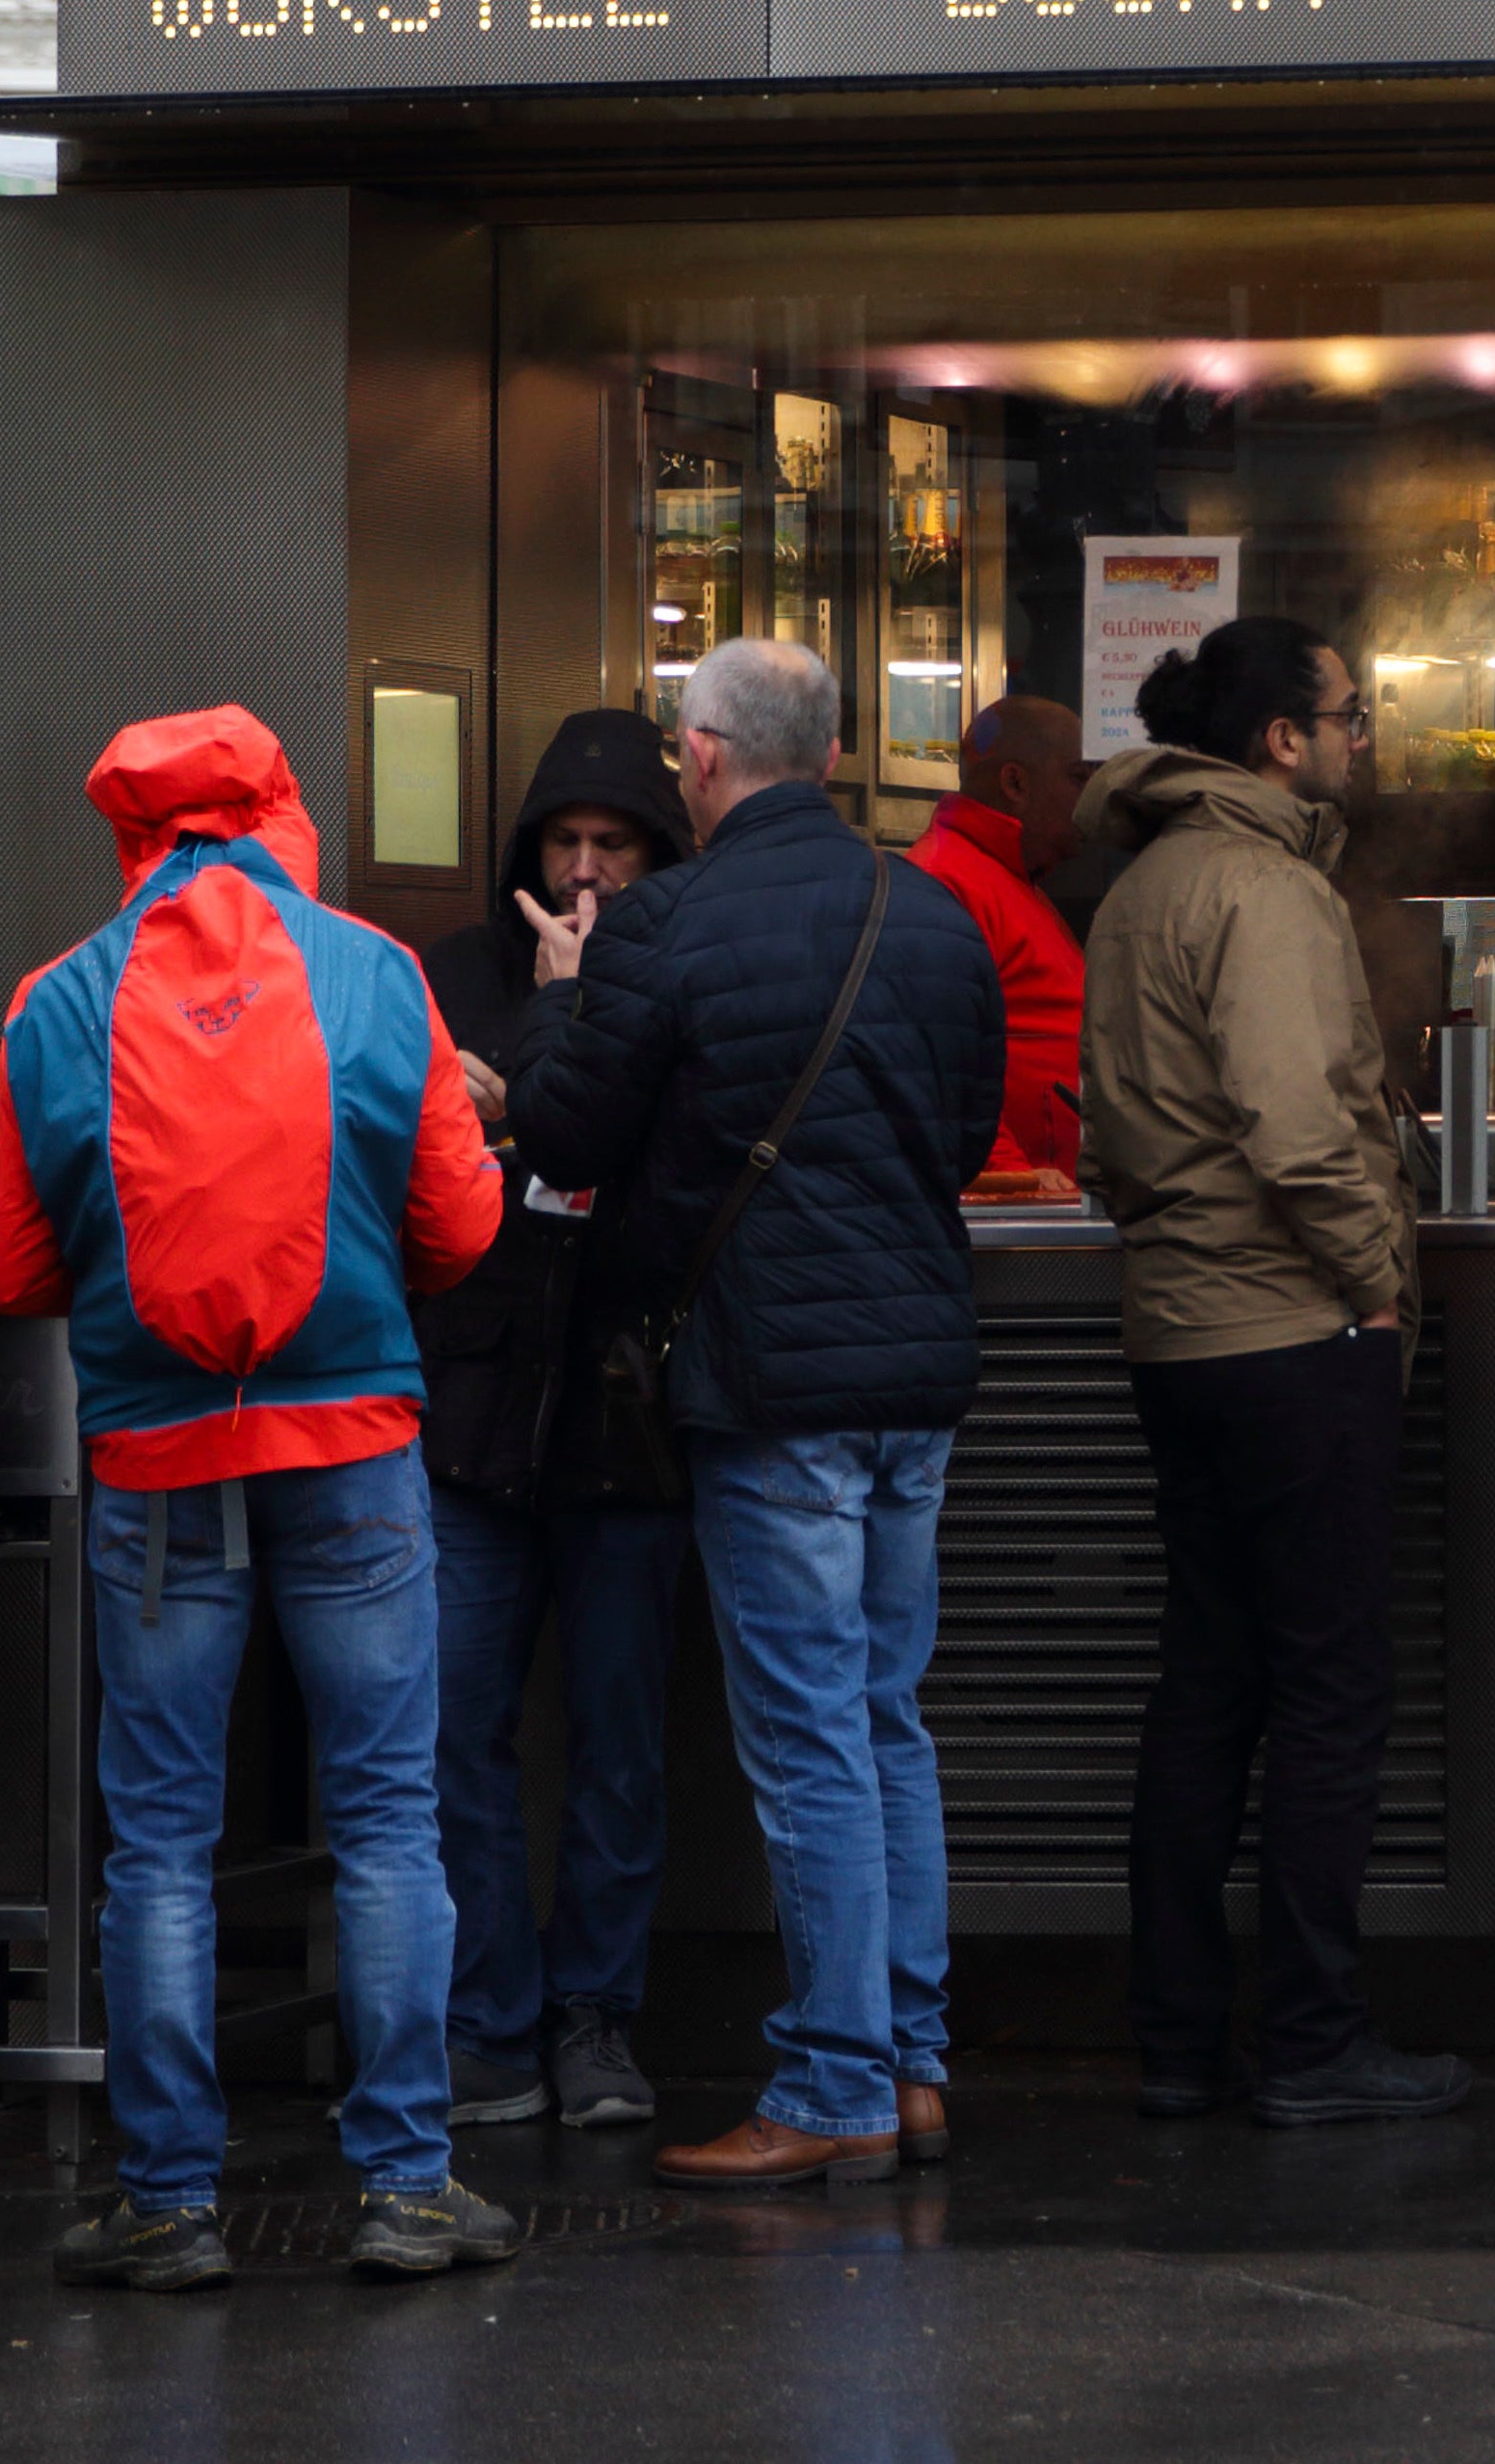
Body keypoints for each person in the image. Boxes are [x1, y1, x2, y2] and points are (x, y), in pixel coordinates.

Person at [0, 705, 517, 2289]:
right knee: (390, 1815)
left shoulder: (58, 1001)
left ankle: (168, 2199)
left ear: (128, 830)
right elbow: (464, 1224)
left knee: (160, 1844)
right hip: (355, 1454)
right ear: (281, 808)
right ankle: (406, 2184)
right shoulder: (373, 975)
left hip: (158, 1460)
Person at [510, 637, 1003, 2186]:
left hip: (770, 1380)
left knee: (804, 1741)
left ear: (703, 760)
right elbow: (974, 1129)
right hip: (916, 1376)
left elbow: (573, 1135)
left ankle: (838, 2085)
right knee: (884, 1717)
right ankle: (913, 2062)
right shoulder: (934, 916)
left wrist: (566, 1005)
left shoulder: (664, 922)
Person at [1077, 613, 1471, 2125]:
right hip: (1294, 1333)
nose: (1365, 737)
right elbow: (1303, 1125)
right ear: (1279, 743)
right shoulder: (1267, 885)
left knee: (1207, 1685)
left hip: (1178, 1331)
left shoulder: (1142, 886)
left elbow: (1116, 1131)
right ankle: (1315, 2039)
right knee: (1326, 1694)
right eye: (1348, 713)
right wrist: (1377, 1287)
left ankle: (1177, 2036)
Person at [410, 707, 695, 2136]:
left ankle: (598, 2015)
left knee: (621, 1732)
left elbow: (680, 1170)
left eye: (616, 848)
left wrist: (541, 1085)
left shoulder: (679, 975)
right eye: (565, 844)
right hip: (469, 1402)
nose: (585, 875)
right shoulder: (453, 974)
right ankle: (488, 2019)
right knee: (457, 1727)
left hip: (621, 1406)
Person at [915, 694, 1097, 1190]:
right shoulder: (946, 880)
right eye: (1080, 777)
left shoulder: (1008, 876)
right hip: (1022, 1226)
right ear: (1015, 782)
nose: (1094, 795)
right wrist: (1016, 1181)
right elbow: (935, 1065)